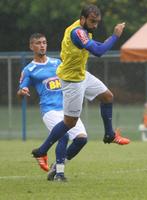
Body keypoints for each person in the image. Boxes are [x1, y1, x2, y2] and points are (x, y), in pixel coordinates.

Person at [31, 4, 130, 170]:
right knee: (70, 123)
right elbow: (98, 52)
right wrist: (115, 36)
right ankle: (42, 150)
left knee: (107, 97)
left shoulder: (83, 29)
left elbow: (95, 45)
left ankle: (109, 134)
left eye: (97, 22)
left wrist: (104, 42)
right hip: (72, 80)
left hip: (81, 74)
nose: (95, 25)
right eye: (92, 21)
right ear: (82, 18)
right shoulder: (77, 32)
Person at [18, 33, 88, 181]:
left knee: (81, 139)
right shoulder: (29, 70)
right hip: (49, 110)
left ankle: (55, 167)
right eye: (38, 43)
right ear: (31, 46)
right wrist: (22, 91)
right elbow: (21, 89)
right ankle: (60, 174)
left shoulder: (57, 63)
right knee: (64, 135)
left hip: (67, 108)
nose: (42, 45)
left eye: (44, 42)